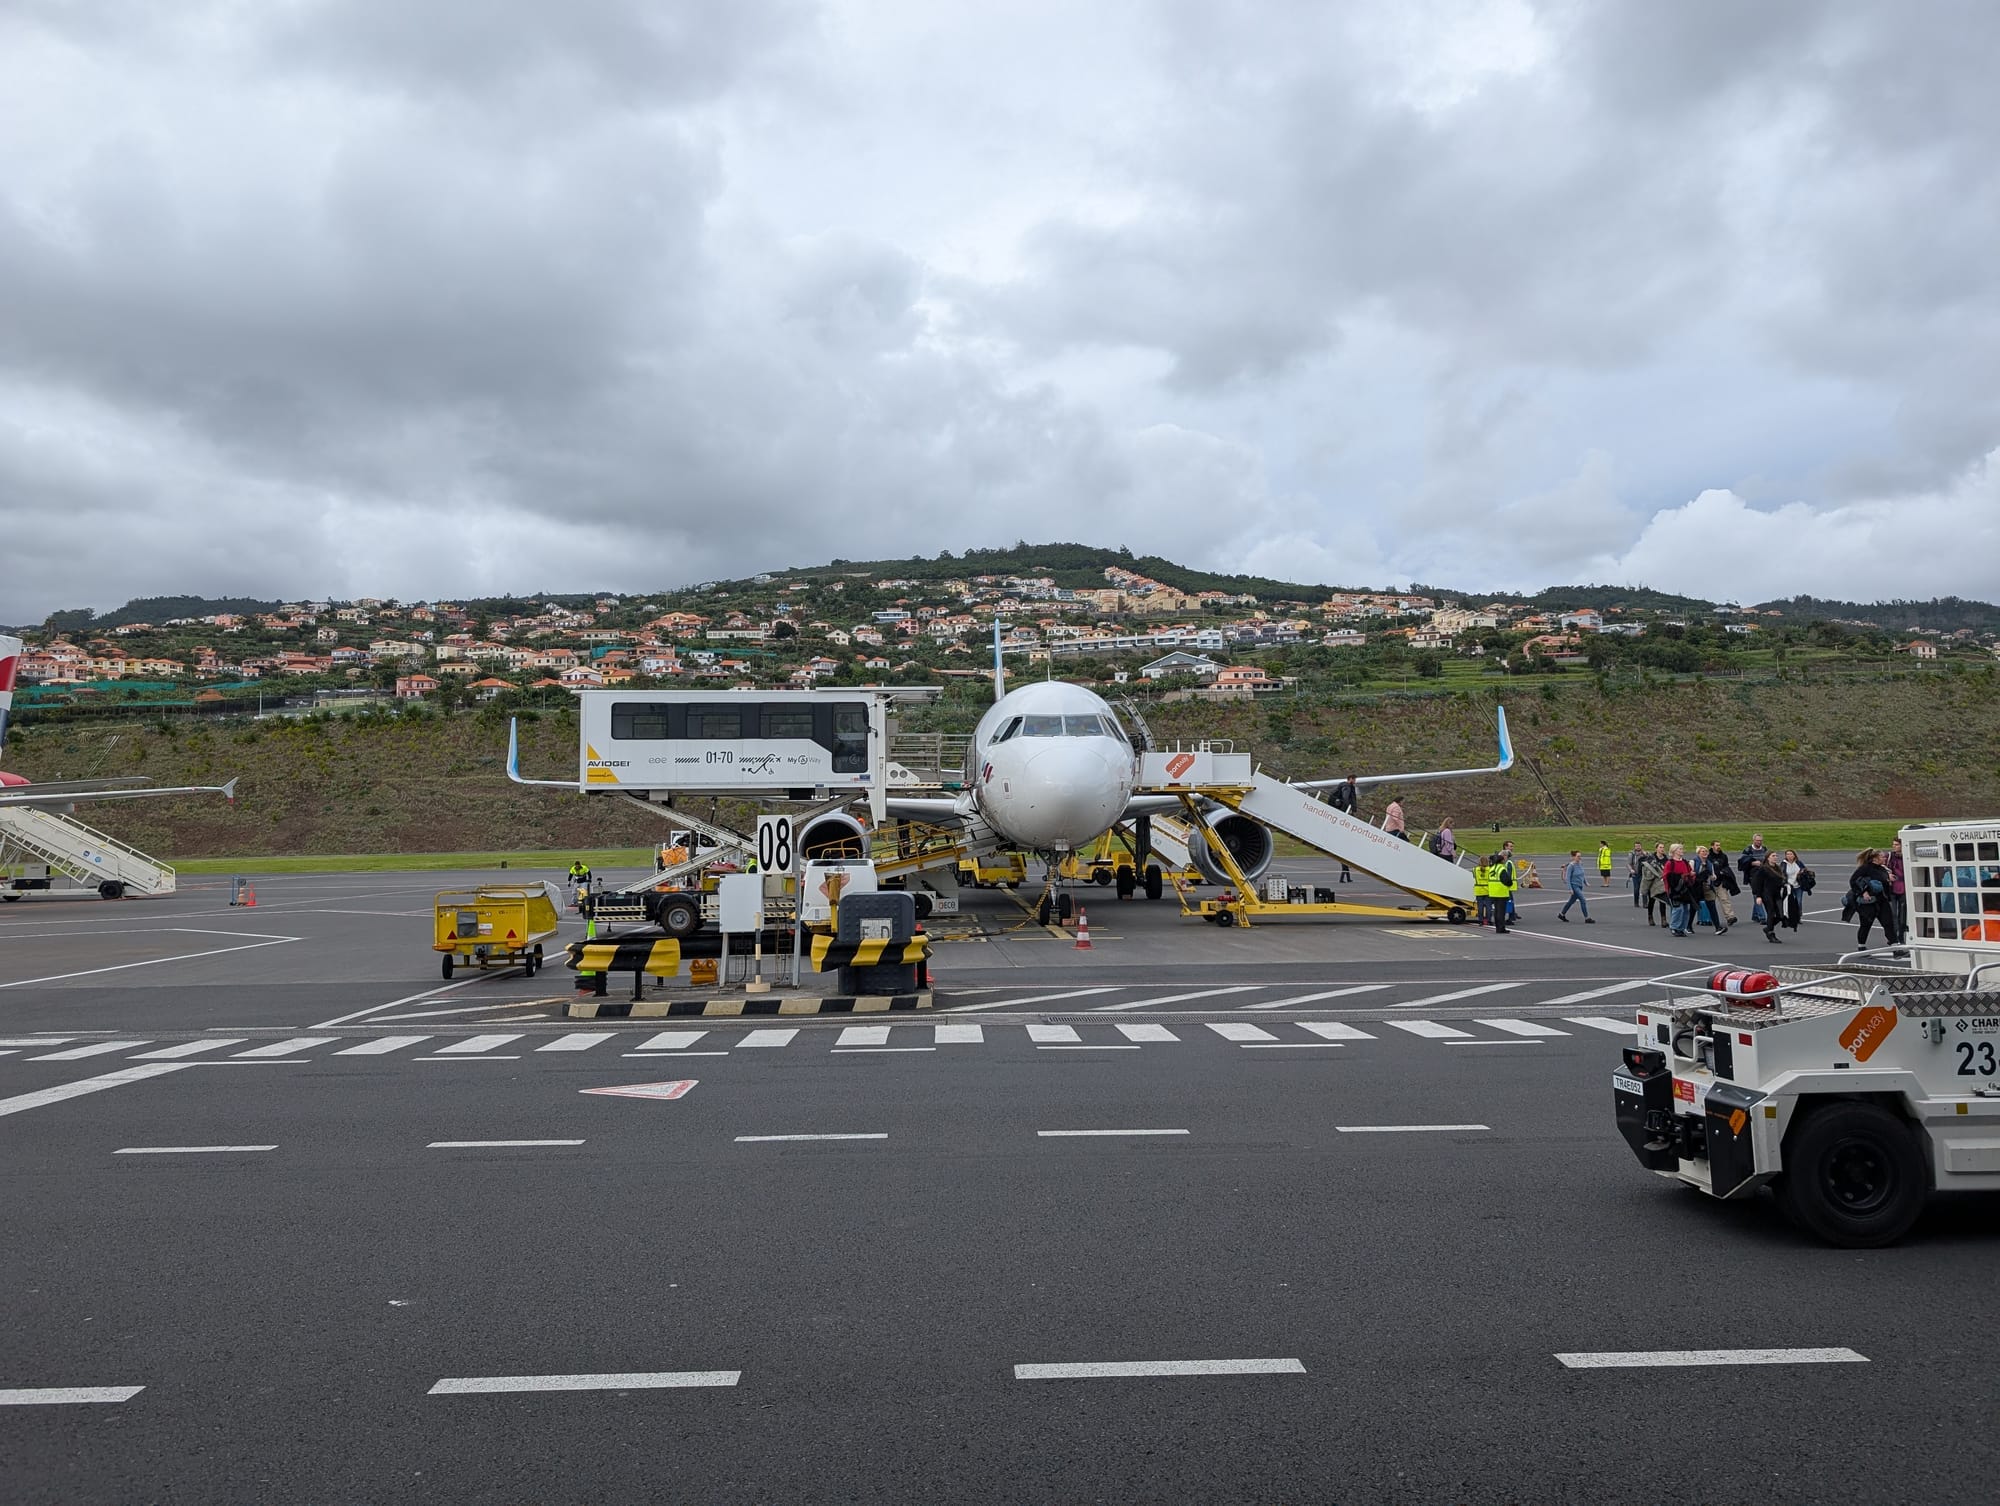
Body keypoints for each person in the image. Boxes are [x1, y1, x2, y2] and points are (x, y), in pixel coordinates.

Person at [1847, 848, 1899, 948]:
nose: (1885, 858)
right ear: (1875, 858)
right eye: (1882, 857)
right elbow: (1853, 881)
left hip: (1882, 900)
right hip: (1868, 902)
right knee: (1866, 924)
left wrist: (1888, 879)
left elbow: (1883, 880)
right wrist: (1863, 892)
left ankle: (1895, 946)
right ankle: (1861, 946)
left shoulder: (1882, 869)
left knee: (1888, 923)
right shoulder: (1865, 868)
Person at [1748, 852, 1788, 944]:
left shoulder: (1777, 868)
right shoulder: (1763, 869)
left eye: (1776, 856)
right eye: (1773, 856)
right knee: (1771, 912)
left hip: (1777, 894)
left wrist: (1785, 885)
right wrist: (1758, 896)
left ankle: (1768, 928)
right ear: (1768, 858)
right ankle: (1771, 934)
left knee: (1780, 915)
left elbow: (1779, 881)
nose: (1775, 857)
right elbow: (1757, 883)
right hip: (1767, 894)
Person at [1662, 842, 1698, 936]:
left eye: (1682, 849)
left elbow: (1690, 873)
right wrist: (1668, 889)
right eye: (1680, 849)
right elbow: (1666, 876)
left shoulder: (1685, 862)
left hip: (1685, 889)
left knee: (1685, 909)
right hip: (1675, 890)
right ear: (1674, 851)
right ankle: (1674, 927)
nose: (1682, 851)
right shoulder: (1670, 863)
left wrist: (1691, 875)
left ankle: (1681, 928)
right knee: (1678, 908)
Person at [1329, 776, 1359, 882]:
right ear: (1350, 779)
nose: (1355, 781)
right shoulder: (1347, 787)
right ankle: (1343, 879)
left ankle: (1345, 879)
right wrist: (1349, 809)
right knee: (1345, 868)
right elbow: (1346, 798)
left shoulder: (1342, 786)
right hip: (1344, 810)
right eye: (1354, 779)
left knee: (1345, 869)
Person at [1703, 841, 1739, 928]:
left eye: (1719, 845)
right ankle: (1707, 918)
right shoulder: (1708, 856)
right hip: (1710, 882)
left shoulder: (1723, 856)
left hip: (1720, 881)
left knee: (1724, 899)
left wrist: (1724, 872)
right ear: (1712, 846)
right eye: (1716, 845)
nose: (1718, 846)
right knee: (1710, 901)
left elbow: (1726, 866)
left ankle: (1730, 917)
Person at [1780, 848, 1814, 932]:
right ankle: (1788, 917)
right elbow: (1781, 874)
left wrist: (1803, 872)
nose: (1789, 856)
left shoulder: (1798, 863)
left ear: (1794, 855)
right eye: (1787, 854)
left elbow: (1805, 870)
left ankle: (1798, 917)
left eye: (1791, 854)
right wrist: (1784, 883)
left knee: (1798, 902)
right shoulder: (1783, 864)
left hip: (1798, 885)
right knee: (1790, 902)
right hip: (1789, 886)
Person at [1558, 850, 1594, 923]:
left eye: (1580, 856)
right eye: (1578, 856)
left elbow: (1582, 874)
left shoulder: (1580, 864)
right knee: (1583, 900)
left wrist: (1585, 882)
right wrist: (1570, 889)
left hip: (1580, 886)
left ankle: (1561, 914)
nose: (1579, 858)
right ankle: (1587, 918)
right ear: (1573, 857)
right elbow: (1568, 878)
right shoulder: (1571, 866)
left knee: (1571, 901)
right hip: (1574, 886)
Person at [1640, 843, 1669, 927]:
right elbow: (1646, 868)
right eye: (1660, 847)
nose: (1662, 849)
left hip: (1661, 882)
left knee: (1662, 901)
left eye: (1663, 847)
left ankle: (1663, 919)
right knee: (1651, 901)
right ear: (1656, 848)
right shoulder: (1651, 858)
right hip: (1652, 882)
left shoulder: (1666, 859)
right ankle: (1650, 917)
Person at [1887, 836, 1908, 941]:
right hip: (1892, 889)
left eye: (1896, 844)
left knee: (1903, 915)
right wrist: (1888, 875)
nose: (1894, 846)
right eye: (1893, 844)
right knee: (1893, 914)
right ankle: (1894, 936)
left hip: (1904, 889)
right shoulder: (1890, 856)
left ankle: (1901, 935)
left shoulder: (1907, 857)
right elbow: (1882, 867)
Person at [1484, 853, 1510, 934]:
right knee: (1501, 912)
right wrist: (1510, 883)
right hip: (1501, 892)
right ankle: (1501, 928)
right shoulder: (1501, 868)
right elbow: (1506, 880)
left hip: (1493, 892)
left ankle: (1498, 927)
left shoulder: (1492, 868)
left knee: (1496, 911)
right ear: (1501, 861)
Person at [1472, 855, 1492, 926]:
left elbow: (1474, 877)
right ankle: (1488, 920)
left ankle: (1480, 920)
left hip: (1478, 889)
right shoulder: (1490, 869)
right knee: (1488, 906)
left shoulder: (1475, 869)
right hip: (1487, 889)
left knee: (1480, 907)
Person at [1628, 842, 1646, 907]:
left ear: (1641, 846)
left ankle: (1645, 903)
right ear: (1634, 847)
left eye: (1639, 846)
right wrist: (1631, 870)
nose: (1638, 847)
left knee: (1644, 889)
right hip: (1635, 874)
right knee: (1636, 889)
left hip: (1643, 874)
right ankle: (1636, 902)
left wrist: (1645, 854)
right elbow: (1629, 864)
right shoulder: (1632, 854)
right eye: (1636, 846)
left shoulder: (1645, 853)